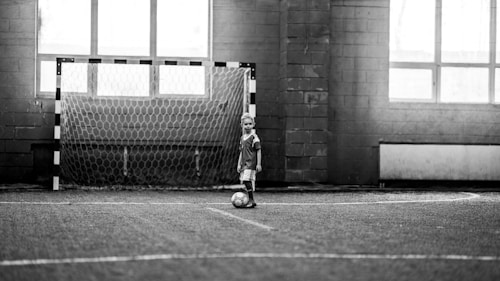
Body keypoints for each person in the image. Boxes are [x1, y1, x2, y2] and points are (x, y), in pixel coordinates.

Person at [237, 113, 262, 208]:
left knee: (246, 180)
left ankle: (251, 200)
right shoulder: (242, 138)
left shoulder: (254, 137)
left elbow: (258, 150)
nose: (248, 126)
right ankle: (249, 199)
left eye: (250, 124)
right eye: (245, 124)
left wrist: (259, 164)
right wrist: (239, 164)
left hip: (251, 164)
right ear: (242, 125)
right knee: (245, 181)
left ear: (253, 124)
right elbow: (241, 152)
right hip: (244, 164)